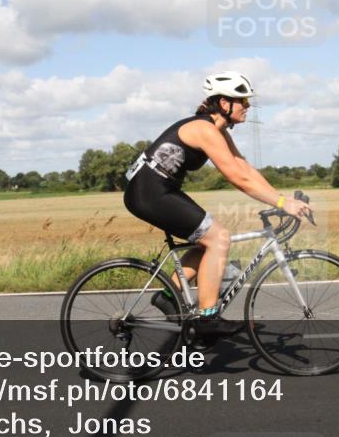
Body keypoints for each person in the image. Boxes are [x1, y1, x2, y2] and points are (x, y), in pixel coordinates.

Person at [123, 71, 312, 336]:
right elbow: (237, 179)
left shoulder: (218, 131)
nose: (248, 107)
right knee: (218, 238)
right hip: (149, 191)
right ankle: (207, 320)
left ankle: (169, 296)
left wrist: (283, 200)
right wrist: (282, 202)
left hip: (159, 188)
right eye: (243, 101)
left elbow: (243, 167)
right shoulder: (205, 130)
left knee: (210, 242)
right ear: (225, 103)